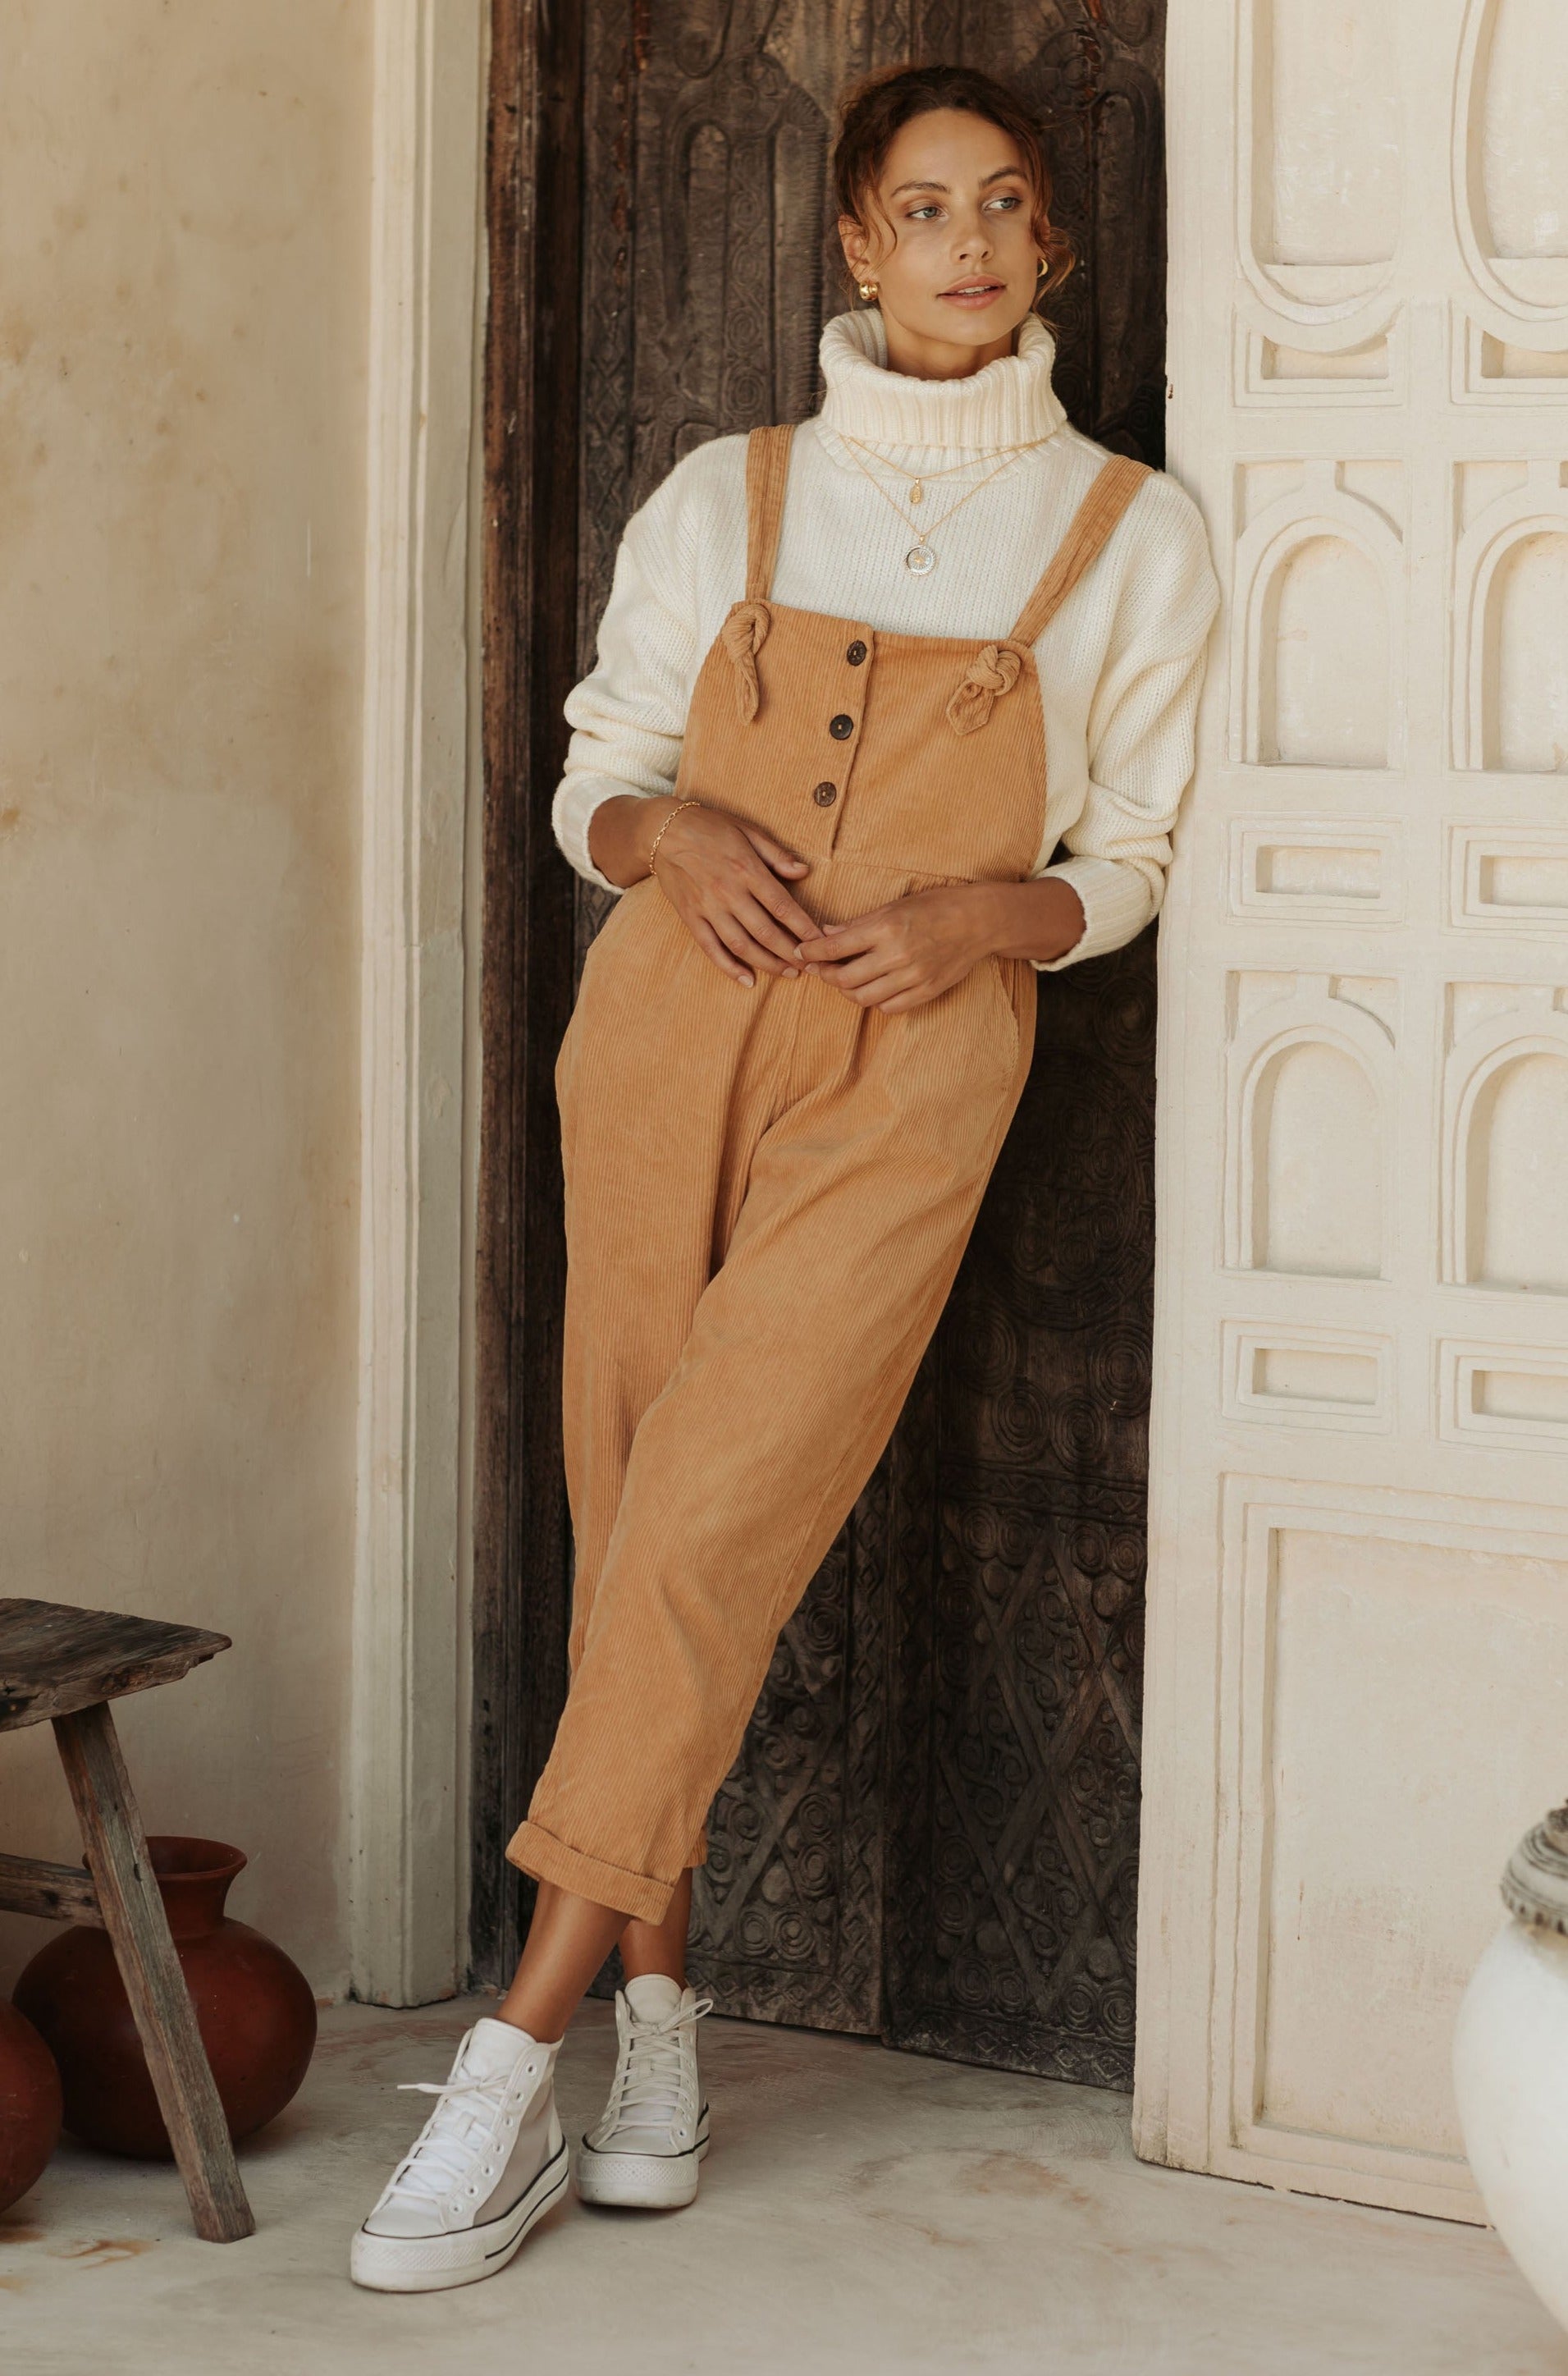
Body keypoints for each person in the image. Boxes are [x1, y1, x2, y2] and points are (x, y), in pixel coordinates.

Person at [351, 59, 1218, 2293]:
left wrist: (988, 912)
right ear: (854, 243)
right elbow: (598, 776)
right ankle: (659, 2025)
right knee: (634, 1497)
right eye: (924, 209)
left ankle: (509, 2058)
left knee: (717, 1505)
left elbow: (1133, 854)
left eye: (1004, 204)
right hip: (663, 1030)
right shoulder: (719, 493)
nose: (969, 243)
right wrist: (669, 836)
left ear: (1050, 240)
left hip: (918, 1061)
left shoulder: (1131, 532)